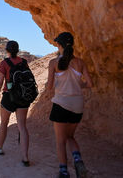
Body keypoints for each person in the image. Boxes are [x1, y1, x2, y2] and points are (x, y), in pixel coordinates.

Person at [46, 32, 92, 178]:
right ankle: (78, 161)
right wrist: (78, 86)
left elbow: (49, 87)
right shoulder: (80, 62)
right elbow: (90, 84)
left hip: (61, 104)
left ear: (59, 45)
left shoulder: (54, 63)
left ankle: (64, 171)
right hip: (77, 105)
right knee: (70, 137)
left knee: (60, 141)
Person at [0, 40, 31, 167]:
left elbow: (0, 82)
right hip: (23, 97)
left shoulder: (4, 63)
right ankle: (25, 157)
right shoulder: (24, 62)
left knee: (4, 123)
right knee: (22, 126)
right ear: (18, 50)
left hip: (9, 96)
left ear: (7, 50)